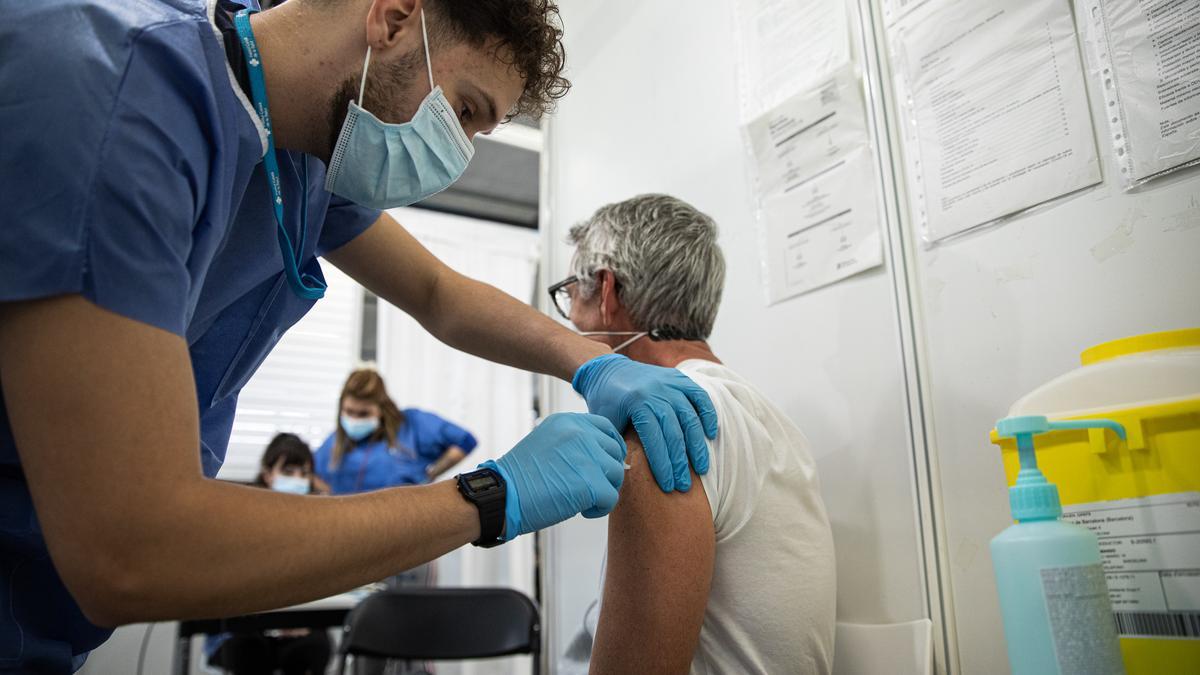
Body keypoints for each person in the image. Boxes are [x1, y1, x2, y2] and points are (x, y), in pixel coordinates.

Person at [0, 1, 720, 671]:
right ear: (394, 17)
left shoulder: (300, 154)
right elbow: (130, 548)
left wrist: (588, 363)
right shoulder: (118, 95)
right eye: (465, 110)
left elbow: (440, 294)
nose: (458, 152)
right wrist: (491, 495)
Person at [553, 195, 837, 674]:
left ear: (606, 292)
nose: (570, 324)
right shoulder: (766, 417)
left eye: (569, 296)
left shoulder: (663, 420)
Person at [205, 434, 333, 675]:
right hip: (242, 628)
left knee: (314, 647)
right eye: (288, 470)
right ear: (267, 475)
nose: (297, 479)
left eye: (304, 473)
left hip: (297, 628)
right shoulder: (242, 517)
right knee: (248, 649)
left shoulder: (315, 523)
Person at [315, 368, 475, 493]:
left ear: (381, 409)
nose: (355, 419)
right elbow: (311, 473)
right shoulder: (335, 442)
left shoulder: (412, 425)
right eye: (349, 412)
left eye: (364, 413)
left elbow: (465, 441)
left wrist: (431, 473)